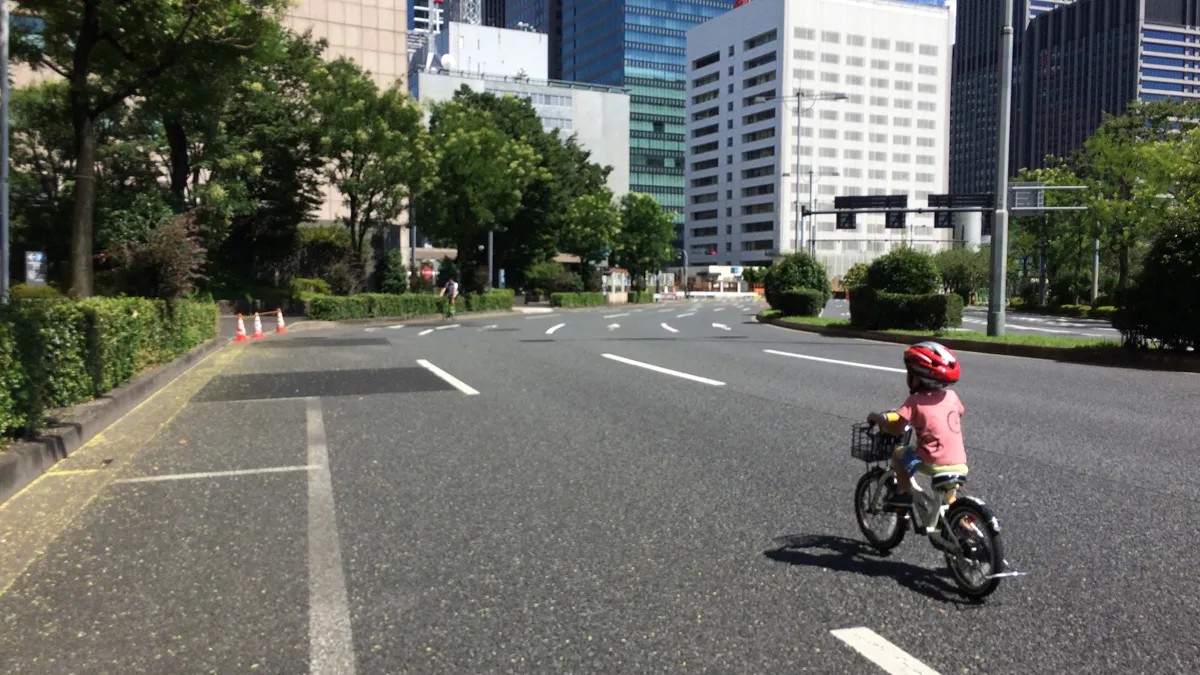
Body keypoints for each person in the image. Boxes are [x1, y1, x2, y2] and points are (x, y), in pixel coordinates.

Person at [866, 341, 968, 510]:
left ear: (917, 377)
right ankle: (963, 527)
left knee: (899, 454)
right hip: (960, 462)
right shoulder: (952, 396)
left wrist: (878, 419)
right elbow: (958, 412)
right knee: (949, 503)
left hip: (932, 461)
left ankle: (904, 494)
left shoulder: (914, 402)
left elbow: (896, 428)